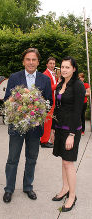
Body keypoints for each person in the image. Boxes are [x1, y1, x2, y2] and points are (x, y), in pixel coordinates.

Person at [3, 48, 53, 203]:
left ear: (38, 62)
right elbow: (7, 99)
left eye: (34, 60)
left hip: (35, 126)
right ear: (23, 61)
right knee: (13, 158)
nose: (31, 62)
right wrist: (18, 102)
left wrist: (37, 108)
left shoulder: (44, 79)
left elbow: (49, 101)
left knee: (31, 158)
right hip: (17, 125)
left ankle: (28, 187)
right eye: (28, 59)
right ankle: (9, 189)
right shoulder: (14, 77)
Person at [50, 56, 85, 212]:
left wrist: (71, 134)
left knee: (68, 163)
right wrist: (52, 129)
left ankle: (72, 196)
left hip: (71, 130)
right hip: (59, 128)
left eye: (67, 67)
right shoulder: (59, 85)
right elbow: (56, 108)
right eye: (62, 67)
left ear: (74, 69)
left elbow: (78, 111)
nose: (64, 70)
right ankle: (64, 188)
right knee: (63, 161)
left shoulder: (78, 85)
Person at [40, 57, 57, 148]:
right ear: (47, 64)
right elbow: (47, 89)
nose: (52, 65)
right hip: (48, 101)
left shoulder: (53, 74)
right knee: (47, 122)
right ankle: (44, 141)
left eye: (53, 63)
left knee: (49, 122)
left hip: (52, 100)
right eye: (50, 63)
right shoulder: (45, 74)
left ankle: (44, 139)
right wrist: (57, 85)